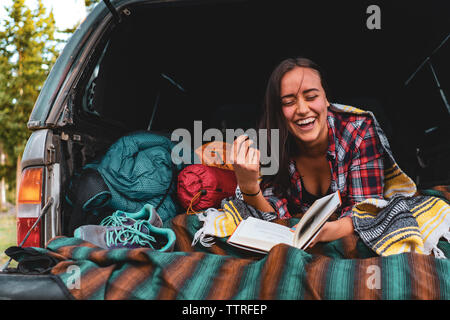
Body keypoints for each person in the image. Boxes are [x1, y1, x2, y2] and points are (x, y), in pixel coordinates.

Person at [231, 57, 385, 247]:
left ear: (326, 99)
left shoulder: (358, 130)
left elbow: (367, 210)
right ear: (279, 111)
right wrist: (249, 187)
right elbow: (271, 214)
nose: (303, 110)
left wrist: (329, 231)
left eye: (311, 97)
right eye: (289, 102)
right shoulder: (271, 140)